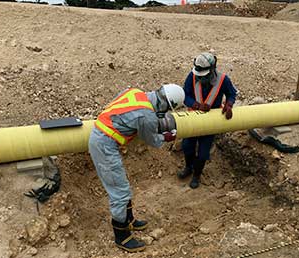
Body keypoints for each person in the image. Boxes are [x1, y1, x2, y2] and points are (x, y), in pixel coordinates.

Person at [88, 84, 185, 252]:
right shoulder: (147, 116)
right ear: (167, 105)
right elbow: (153, 141)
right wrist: (167, 136)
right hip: (104, 145)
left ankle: (129, 220)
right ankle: (122, 237)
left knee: (123, 186)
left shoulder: (136, 93)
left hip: (103, 135)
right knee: (120, 192)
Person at [177, 52, 238, 189]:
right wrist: (195, 104)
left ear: (212, 70)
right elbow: (185, 94)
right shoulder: (192, 76)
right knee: (187, 145)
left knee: (203, 152)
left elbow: (231, 93)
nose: (200, 78)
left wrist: (229, 105)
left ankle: (197, 175)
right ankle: (189, 167)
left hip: (211, 122)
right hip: (193, 119)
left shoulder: (223, 80)